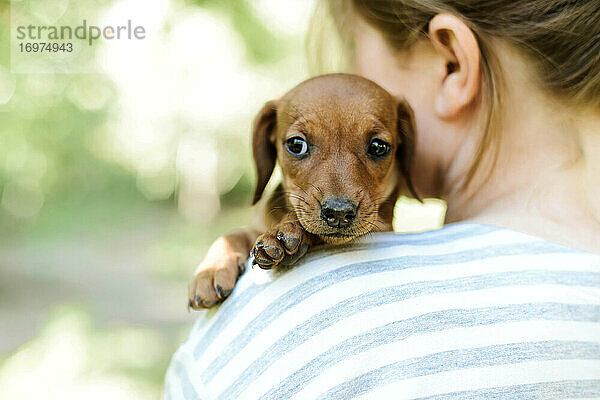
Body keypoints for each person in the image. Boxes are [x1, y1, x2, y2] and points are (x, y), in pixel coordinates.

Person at [164, 1, 600, 398]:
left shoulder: (273, 319)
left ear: (451, 63)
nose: (338, 201)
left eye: (375, 148)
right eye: (299, 146)